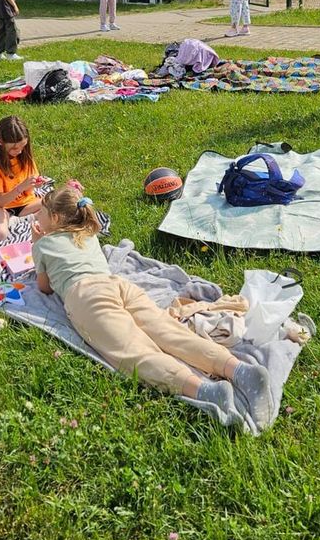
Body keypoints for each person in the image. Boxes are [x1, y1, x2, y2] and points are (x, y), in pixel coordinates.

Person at [31, 182, 274, 428]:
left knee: (131, 350)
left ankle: (205, 391)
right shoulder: (88, 233)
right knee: (168, 330)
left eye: (40, 212)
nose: (36, 216)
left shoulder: (43, 245)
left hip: (85, 296)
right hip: (117, 285)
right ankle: (240, 370)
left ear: (55, 217)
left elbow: (44, 287)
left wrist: (36, 242)